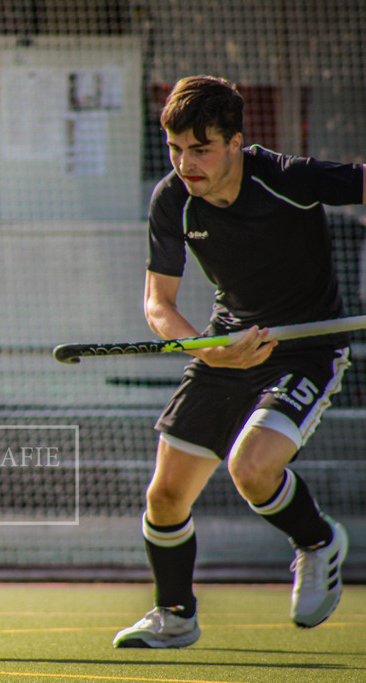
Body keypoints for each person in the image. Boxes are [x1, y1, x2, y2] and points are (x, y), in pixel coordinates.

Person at [113, 75, 364, 649]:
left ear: (235, 143)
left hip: (305, 346)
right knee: (165, 497)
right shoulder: (171, 200)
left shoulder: (287, 178)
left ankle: (317, 541)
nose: (186, 163)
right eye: (175, 149)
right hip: (224, 345)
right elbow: (159, 305)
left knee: (251, 469)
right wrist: (208, 350)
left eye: (200, 149)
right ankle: (174, 616)